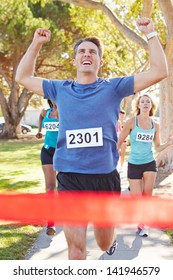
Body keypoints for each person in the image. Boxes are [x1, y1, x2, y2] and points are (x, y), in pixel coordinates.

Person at [15, 17, 168, 259]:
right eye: (82, 51)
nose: (87, 54)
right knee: (76, 251)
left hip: (104, 179)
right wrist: (36, 43)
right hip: (70, 178)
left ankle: (111, 240)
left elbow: (160, 71)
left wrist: (150, 34)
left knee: (104, 241)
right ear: (75, 59)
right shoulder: (59, 88)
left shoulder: (113, 87)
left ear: (99, 60)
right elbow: (22, 77)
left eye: (93, 52)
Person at [117, 93, 173, 237]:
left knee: (147, 196)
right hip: (134, 164)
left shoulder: (155, 125)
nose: (146, 103)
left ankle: (142, 226)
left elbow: (158, 147)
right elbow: (119, 142)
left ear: (152, 105)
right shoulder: (131, 122)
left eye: (148, 102)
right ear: (138, 105)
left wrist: (168, 143)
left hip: (149, 163)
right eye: (143, 101)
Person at [36, 99, 59, 236]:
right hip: (47, 150)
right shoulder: (46, 112)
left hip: (63, 152)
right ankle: (51, 223)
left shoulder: (66, 111)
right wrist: (39, 131)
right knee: (50, 187)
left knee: (64, 188)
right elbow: (40, 115)